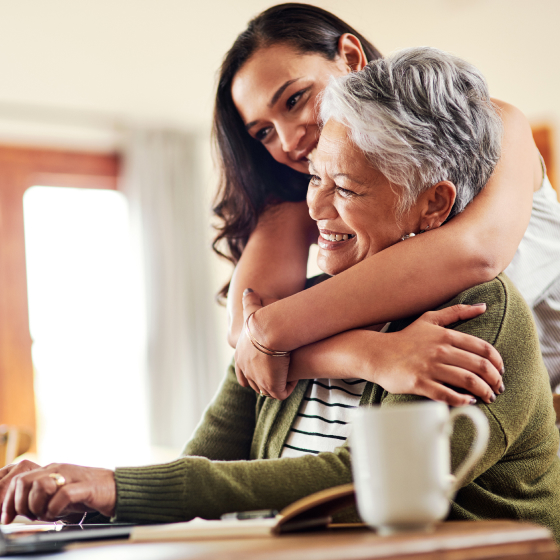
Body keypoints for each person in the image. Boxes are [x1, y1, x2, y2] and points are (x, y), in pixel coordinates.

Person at [1, 47, 559, 542]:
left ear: (432, 204)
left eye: (346, 188)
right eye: (316, 178)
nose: (316, 210)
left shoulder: (478, 311)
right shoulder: (304, 306)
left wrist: (115, 488)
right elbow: (207, 461)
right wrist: (82, 498)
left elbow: (360, 481)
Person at [215, 3, 560, 401]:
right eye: (264, 132)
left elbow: (477, 253)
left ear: (349, 56)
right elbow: (245, 331)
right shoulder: (304, 196)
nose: (290, 141)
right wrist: (370, 355)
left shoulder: (492, 125)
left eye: (294, 100)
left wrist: (273, 332)